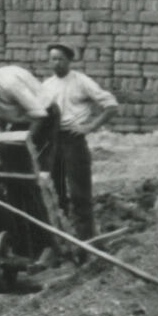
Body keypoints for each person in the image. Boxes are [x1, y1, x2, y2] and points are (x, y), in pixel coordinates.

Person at [43, 42, 119, 245]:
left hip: (74, 141)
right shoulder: (47, 85)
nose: (56, 63)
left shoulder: (81, 81)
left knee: (79, 193)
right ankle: (62, 240)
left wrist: (90, 127)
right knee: (56, 192)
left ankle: (87, 241)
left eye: (60, 59)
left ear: (69, 61)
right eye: (52, 59)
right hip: (53, 142)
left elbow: (111, 105)